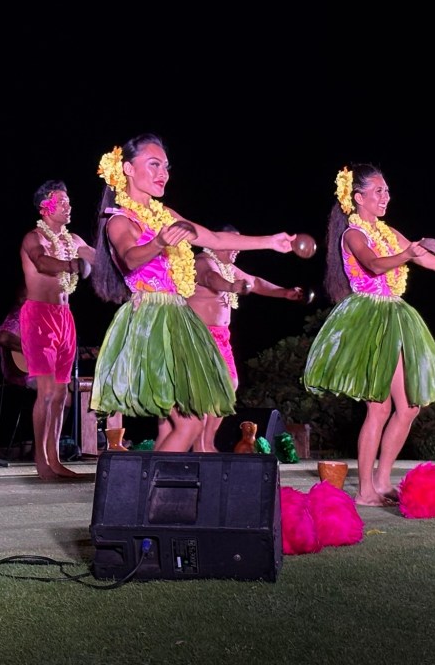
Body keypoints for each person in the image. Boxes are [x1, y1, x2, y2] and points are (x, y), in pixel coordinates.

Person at [302, 164, 435, 507]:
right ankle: (365, 490)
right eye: (379, 191)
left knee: (410, 406)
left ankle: (382, 480)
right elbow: (374, 265)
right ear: (359, 197)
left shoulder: (389, 232)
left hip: (396, 316)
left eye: (386, 190)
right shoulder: (353, 234)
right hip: (368, 320)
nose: (386, 196)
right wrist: (407, 253)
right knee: (378, 408)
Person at [90, 133, 295, 453]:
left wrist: (270, 241)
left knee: (182, 422)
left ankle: (156, 482)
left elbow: (215, 239)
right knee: (188, 423)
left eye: (166, 167)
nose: (163, 173)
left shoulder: (167, 215)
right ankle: (153, 484)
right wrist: (159, 242)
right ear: (128, 169)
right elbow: (130, 257)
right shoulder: (119, 220)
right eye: (153, 164)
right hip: (151, 321)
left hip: (178, 318)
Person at [187, 225, 306, 452]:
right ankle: (199, 445)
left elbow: (257, 283)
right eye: (232, 244)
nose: (237, 249)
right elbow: (210, 279)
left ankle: (207, 442)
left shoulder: (227, 267)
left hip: (221, 336)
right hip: (199, 334)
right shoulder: (203, 261)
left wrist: (284, 292)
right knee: (205, 389)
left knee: (229, 386)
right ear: (217, 242)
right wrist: (231, 286)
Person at [16, 180, 96, 479]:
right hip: (38, 316)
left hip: (65, 317)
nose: (67, 206)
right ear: (44, 207)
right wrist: (74, 265)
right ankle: (41, 461)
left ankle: (56, 460)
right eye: (61, 201)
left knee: (62, 393)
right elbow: (42, 263)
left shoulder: (73, 239)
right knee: (47, 392)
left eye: (68, 201)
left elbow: (99, 257)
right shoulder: (33, 237)